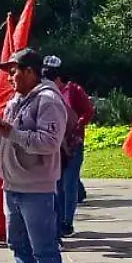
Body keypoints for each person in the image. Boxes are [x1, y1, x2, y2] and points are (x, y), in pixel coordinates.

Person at [0, 47, 68, 263]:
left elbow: (49, 142)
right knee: (18, 243)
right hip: (12, 184)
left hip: (36, 187)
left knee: (43, 244)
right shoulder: (15, 101)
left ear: (30, 72)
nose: (10, 78)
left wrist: (13, 132)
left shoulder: (48, 101)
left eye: (14, 72)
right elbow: (2, 144)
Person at [43, 56, 94, 237]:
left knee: (69, 183)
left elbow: (88, 111)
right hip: (55, 145)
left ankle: (67, 222)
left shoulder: (73, 90)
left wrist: (76, 127)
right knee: (56, 184)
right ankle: (57, 221)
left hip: (73, 144)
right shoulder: (45, 93)